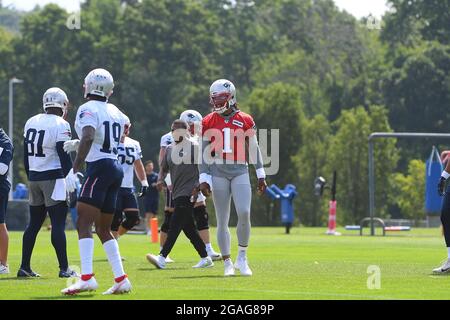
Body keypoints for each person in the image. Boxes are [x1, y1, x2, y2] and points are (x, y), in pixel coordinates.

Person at [61, 68, 131, 295]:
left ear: (89, 85)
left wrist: (74, 168)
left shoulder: (87, 108)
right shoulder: (116, 111)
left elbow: (90, 135)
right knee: (103, 228)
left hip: (99, 167)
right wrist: (79, 142)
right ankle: (121, 279)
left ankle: (87, 277)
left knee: (83, 221)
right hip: (114, 166)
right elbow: (117, 135)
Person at [199, 79, 267, 276]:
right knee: (222, 219)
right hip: (218, 171)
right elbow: (203, 153)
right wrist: (204, 176)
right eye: (215, 99)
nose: (218, 102)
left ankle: (242, 257)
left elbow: (253, 148)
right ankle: (227, 262)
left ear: (231, 97)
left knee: (244, 212)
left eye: (222, 98)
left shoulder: (245, 119)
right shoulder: (208, 120)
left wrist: (261, 173)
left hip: (240, 171)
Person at [18, 88, 77, 278]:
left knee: (33, 224)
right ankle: (64, 268)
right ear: (62, 104)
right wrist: (71, 175)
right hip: (53, 177)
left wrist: (30, 176)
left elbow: (26, 155)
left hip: (34, 177)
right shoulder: (61, 124)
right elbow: (63, 154)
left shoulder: (31, 121)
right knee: (58, 223)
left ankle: (24, 266)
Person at [146, 120, 213, 269]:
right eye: (172, 130)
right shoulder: (169, 149)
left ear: (186, 131)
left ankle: (162, 257)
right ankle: (205, 257)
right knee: (188, 227)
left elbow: (206, 167)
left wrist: (199, 186)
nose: (174, 133)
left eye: (177, 130)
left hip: (190, 191)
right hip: (176, 192)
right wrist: (159, 180)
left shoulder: (195, 147)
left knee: (175, 223)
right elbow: (163, 168)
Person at [179, 109, 221, 261]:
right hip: (182, 183)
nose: (191, 128)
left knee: (201, 215)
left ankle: (207, 249)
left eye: (193, 125)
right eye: (188, 125)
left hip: (196, 181)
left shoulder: (202, 139)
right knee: (177, 219)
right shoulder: (174, 139)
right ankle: (163, 253)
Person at [111, 121, 148, 238]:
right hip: (113, 185)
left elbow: (138, 164)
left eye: (127, 126)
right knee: (115, 219)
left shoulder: (134, 143)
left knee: (133, 218)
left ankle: (113, 239)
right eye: (124, 126)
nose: (126, 129)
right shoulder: (110, 141)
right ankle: (113, 247)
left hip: (128, 187)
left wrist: (144, 182)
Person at [157, 130, 176, 263]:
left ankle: (206, 251)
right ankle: (163, 251)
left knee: (197, 215)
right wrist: (165, 178)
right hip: (173, 179)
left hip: (188, 181)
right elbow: (162, 161)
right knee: (170, 214)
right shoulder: (168, 138)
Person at [0, 128, 13, 275]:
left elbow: (2, 168)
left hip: (0, 186)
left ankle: (3, 264)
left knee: (0, 224)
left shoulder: (4, 140)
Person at [143, 160, 159, 233]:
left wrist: (157, 185)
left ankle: (154, 230)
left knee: (154, 214)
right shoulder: (144, 175)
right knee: (148, 214)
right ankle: (148, 230)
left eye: (151, 165)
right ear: (145, 167)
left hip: (155, 197)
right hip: (147, 197)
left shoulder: (156, 175)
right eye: (149, 166)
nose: (150, 167)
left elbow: (159, 186)